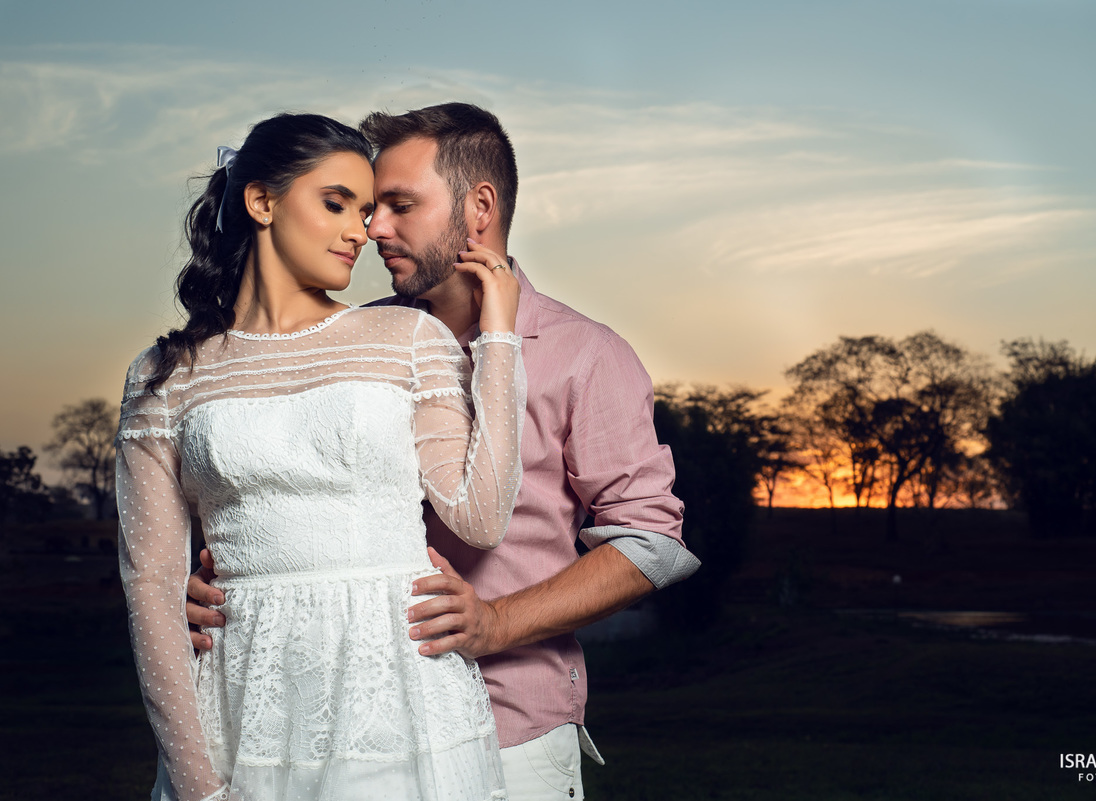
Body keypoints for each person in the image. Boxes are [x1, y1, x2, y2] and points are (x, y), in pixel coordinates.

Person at [188, 103, 701, 800]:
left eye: (400, 206)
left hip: (512, 731)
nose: (373, 228)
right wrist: (220, 583)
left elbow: (650, 541)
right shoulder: (348, 340)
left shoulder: (587, 355)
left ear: (479, 207)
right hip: (353, 738)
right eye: (369, 207)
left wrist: (496, 623)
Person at [116, 112, 524, 801]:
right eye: (337, 203)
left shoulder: (405, 337)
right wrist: (196, 784)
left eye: (365, 212)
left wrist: (499, 337)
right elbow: (151, 587)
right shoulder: (165, 374)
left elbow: (481, 517)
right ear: (261, 201)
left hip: (396, 695)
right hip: (242, 705)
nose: (361, 231)